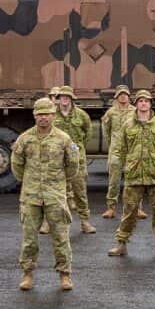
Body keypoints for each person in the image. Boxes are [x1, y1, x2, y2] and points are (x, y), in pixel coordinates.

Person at [12, 98, 80, 291]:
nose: (43, 117)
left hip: (55, 195)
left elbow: (72, 165)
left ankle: (65, 275)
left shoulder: (63, 139)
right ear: (34, 115)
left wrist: (58, 183)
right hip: (31, 196)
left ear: (53, 115)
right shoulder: (25, 139)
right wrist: (28, 182)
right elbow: (16, 164)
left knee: (61, 237)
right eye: (40, 114)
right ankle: (27, 274)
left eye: (47, 114)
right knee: (29, 239)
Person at [109, 90, 155, 257]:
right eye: (140, 101)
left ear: (151, 104)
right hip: (134, 175)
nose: (143, 104)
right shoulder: (128, 125)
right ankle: (121, 244)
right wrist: (130, 165)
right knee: (129, 211)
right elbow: (121, 149)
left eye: (146, 101)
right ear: (136, 104)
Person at [52, 86, 97, 234]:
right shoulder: (52, 115)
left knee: (80, 191)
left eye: (67, 96)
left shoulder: (82, 115)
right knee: (54, 192)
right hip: (57, 159)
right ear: (59, 99)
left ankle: (85, 222)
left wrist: (78, 147)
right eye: (62, 96)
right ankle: (49, 222)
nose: (65, 99)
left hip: (77, 160)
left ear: (71, 99)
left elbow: (88, 132)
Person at [100, 86, 136, 218]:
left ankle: (136, 208)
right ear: (116, 97)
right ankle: (111, 207)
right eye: (120, 94)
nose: (123, 97)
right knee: (114, 180)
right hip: (116, 151)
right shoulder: (111, 112)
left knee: (133, 181)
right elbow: (106, 131)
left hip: (131, 151)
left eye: (125, 94)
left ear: (129, 96)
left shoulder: (135, 111)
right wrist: (112, 145)